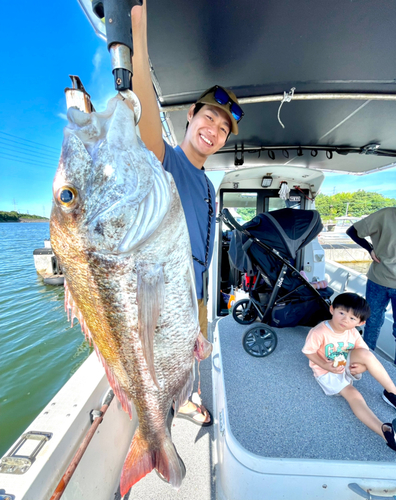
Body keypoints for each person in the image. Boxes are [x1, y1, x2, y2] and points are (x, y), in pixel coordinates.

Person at [131, 1, 244, 426]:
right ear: (189, 116)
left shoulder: (209, 185)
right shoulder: (164, 160)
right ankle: (158, 421)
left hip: (194, 292)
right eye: (208, 117)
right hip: (161, 294)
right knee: (157, 370)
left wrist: (203, 307)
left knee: (192, 355)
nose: (213, 131)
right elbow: (143, 108)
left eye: (222, 130)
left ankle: (189, 398)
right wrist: (138, 36)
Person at [302, 292, 396, 451]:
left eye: (353, 318)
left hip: (345, 362)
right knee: (355, 396)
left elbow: (363, 351)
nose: (345, 320)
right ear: (332, 309)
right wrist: (325, 366)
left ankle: (392, 392)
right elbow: (308, 352)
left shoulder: (352, 332)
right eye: (342, 313)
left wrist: (363, 367)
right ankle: (386, 432)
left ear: (361, 322)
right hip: (327, 371)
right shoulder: (318, 332)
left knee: (367, 355)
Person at [346, 208, 396, 357]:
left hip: (378, 277)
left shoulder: (386, 214)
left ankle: (364, 359)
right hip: (378, 280)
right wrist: (370, 249)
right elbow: (352, 231)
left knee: (372, 323)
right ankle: (366, 359)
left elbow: (351, 231)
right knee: (371, 323)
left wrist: (370, 249)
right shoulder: (386, 214)